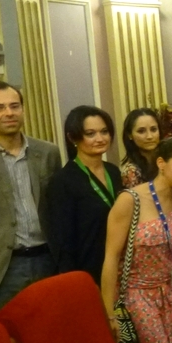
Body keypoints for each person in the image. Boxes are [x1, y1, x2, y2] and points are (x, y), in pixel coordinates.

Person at [101, 136, 172, 343]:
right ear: (161, 164)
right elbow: (111, 258)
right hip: (139, 294)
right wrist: (110, 313)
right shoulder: (130, 201)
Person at [0, 81, 60, 308]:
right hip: (5, 266)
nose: (9, 113)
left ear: (23, 110)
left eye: (14, 106)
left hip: (47, 258)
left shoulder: (47, 153)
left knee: (50, 330)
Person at [45, 105, 123, 287]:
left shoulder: (113, 172)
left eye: (104, 131)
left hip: (121, 267)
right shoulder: (63, 180)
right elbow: (63, 241)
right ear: (73, 137)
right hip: (86, 272)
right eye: (90, 133)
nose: (100, 138)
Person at [120, 108, 161, 188]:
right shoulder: (131, 171)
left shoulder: (166, 160)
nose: (149, 136)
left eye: (153, 129)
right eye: (141, 131)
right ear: (130, 135)